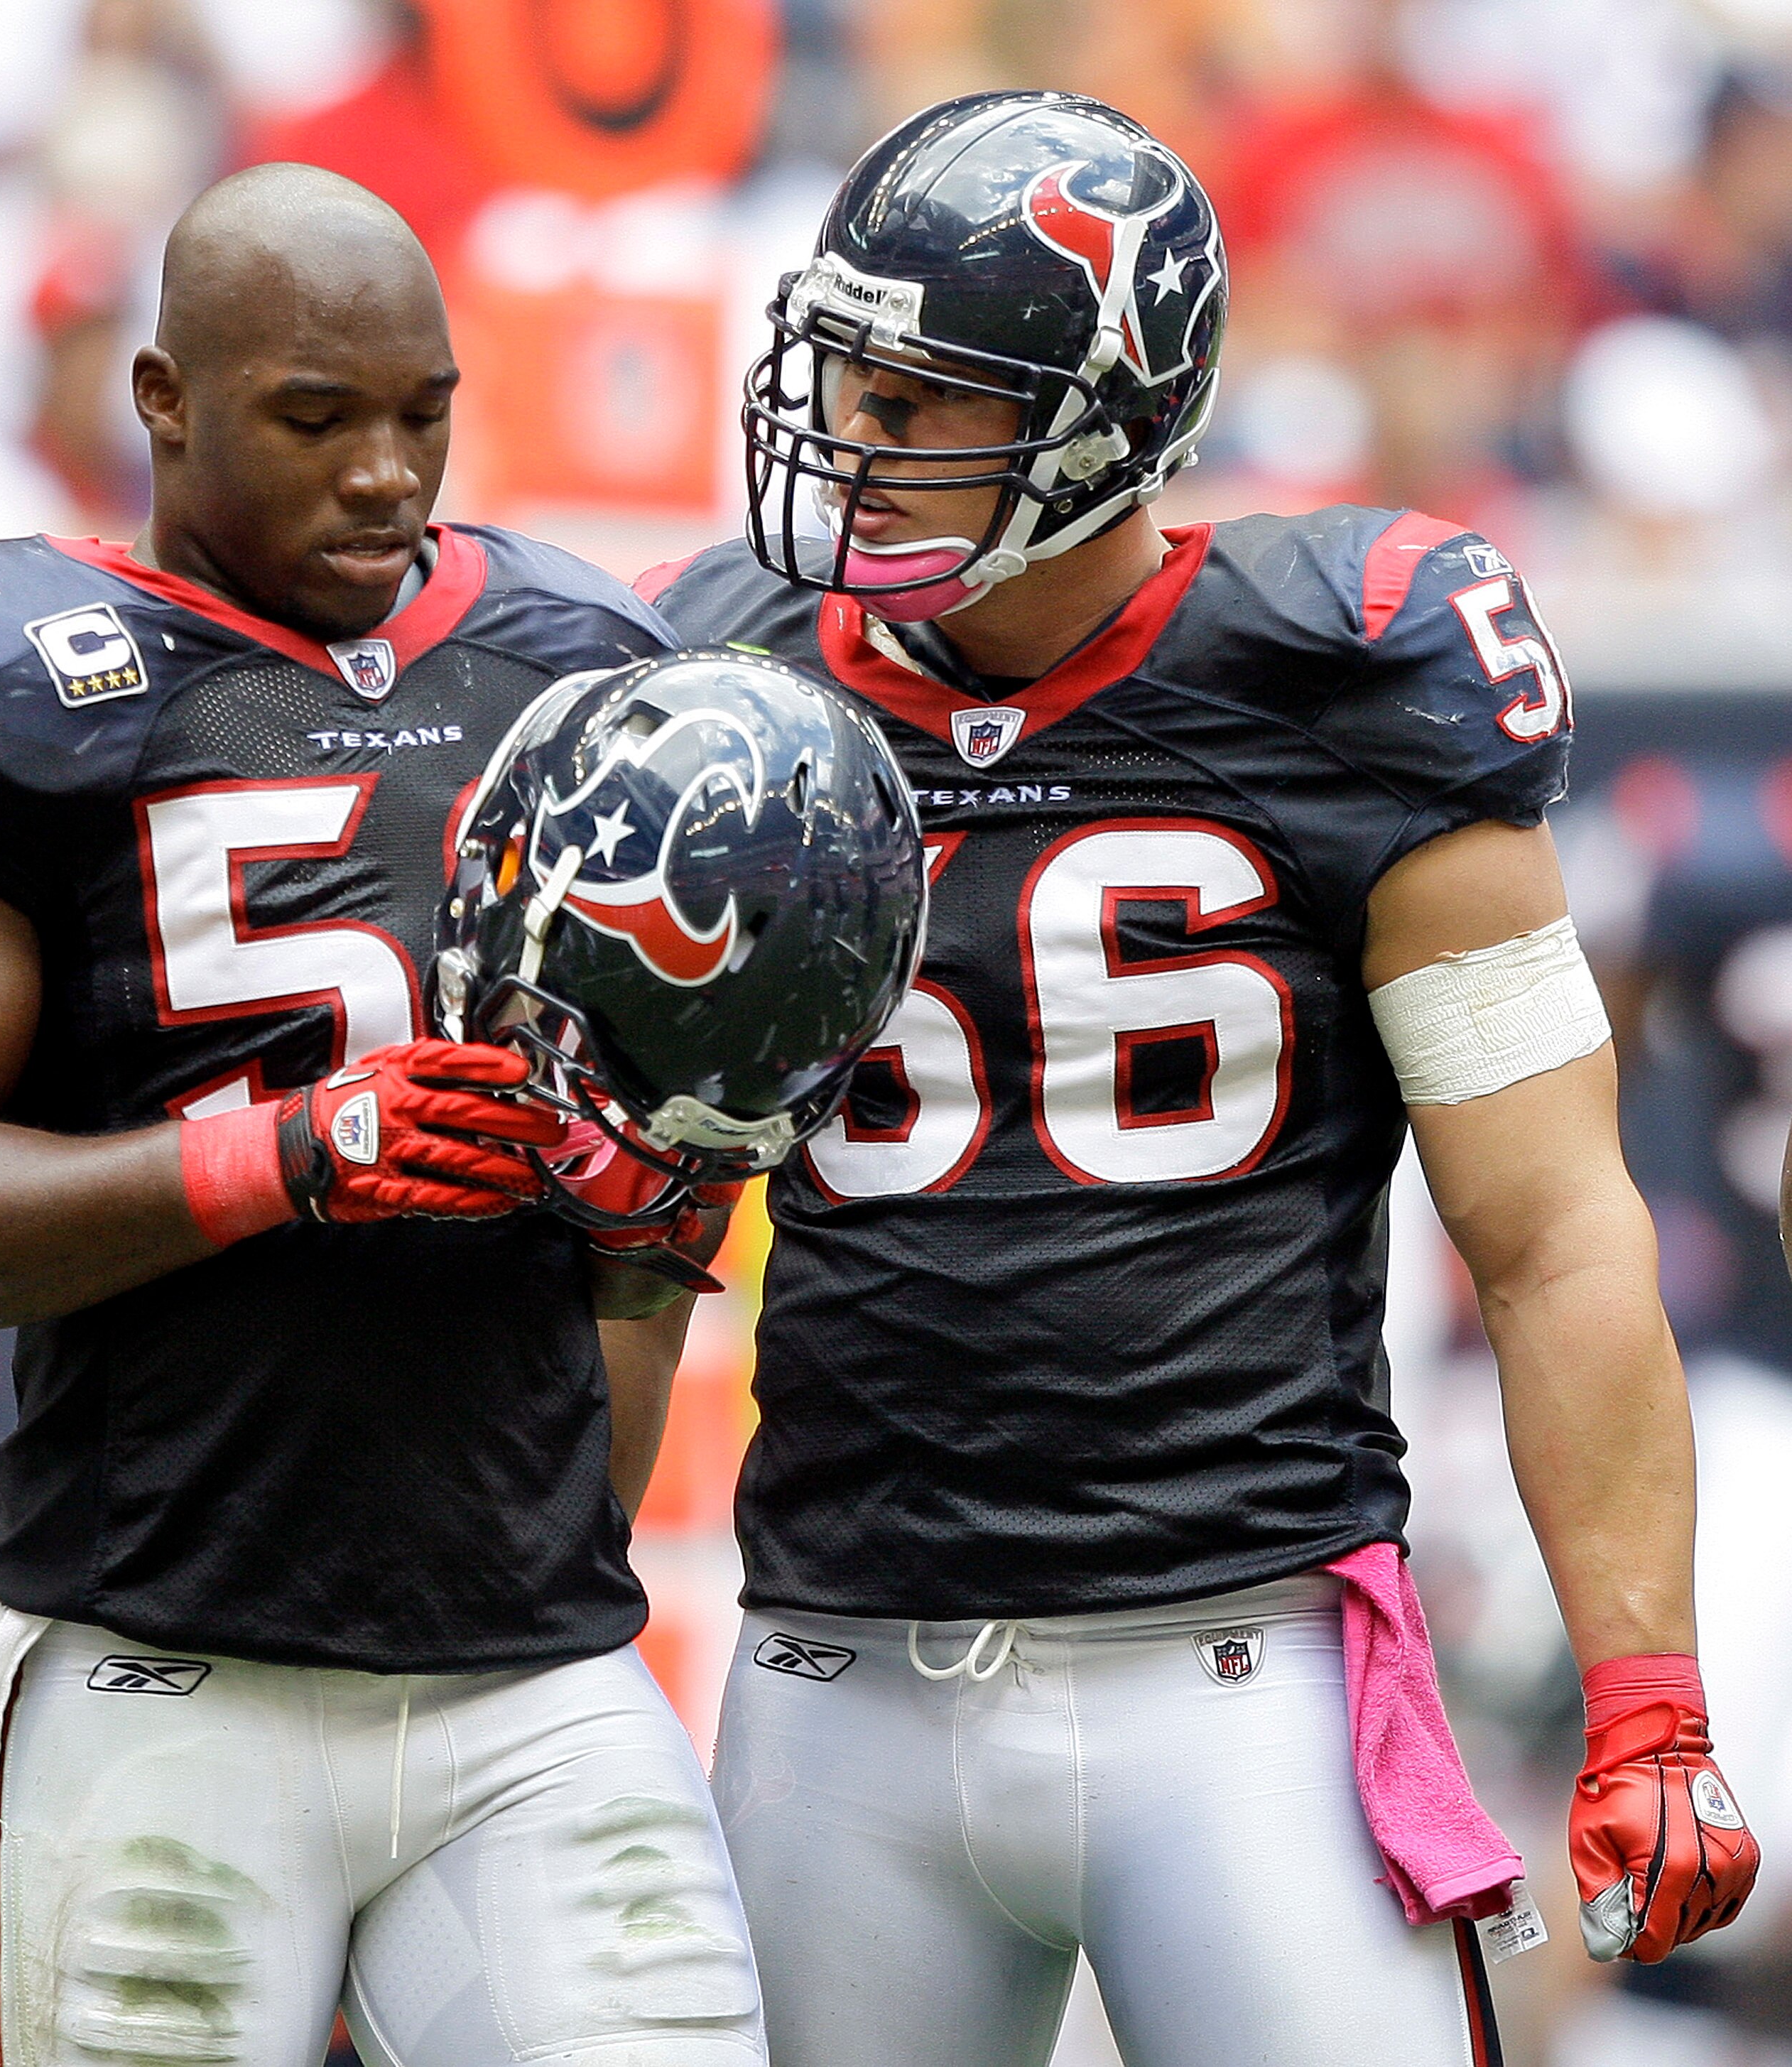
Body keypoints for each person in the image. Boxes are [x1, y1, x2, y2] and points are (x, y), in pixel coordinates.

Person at [641, 91, 1759, 2067]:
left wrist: (1646, 1690)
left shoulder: (1359, 673)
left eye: (924, 403)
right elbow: (628, 1224)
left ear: (1109, 411)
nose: (855, 451)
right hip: (835, 1664)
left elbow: (1555, 1227)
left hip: (1237, 1671)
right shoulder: (728, 672)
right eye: (845, 383)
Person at [0, 162, 767, 2067]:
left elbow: (637, 1256)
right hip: (169, 1668)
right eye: (315, 418)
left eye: (421, 412)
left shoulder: (579, 665)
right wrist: (278, 1159)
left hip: (530, 1671)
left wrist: (654, 1202)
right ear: (162, 400)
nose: (384, 470)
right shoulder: (3, 692)